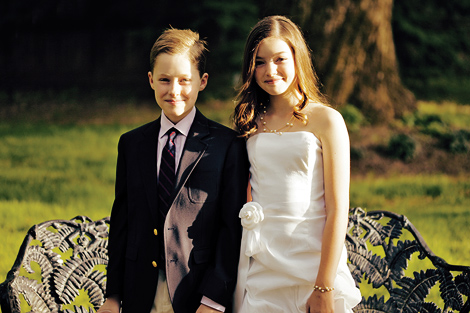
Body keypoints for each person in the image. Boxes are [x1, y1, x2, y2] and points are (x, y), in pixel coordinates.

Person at [97, 28, 249, 313]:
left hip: (196, 293)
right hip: (139, 292)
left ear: (202, 82)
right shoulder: (131, 144)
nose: (174, 90)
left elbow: (231, 229)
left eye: (184, 81)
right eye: (165, 80)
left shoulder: (225, 145)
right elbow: (121, 225)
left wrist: (213, 299)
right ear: (151, 80)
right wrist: (113, 296)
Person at [232, 16, 362, 313]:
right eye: (260, 62)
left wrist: (324, 286)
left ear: (297, 58)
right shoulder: (250, 123)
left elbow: (338, 208)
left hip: (313, 264)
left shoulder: (327, 120)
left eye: (280, 59)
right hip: (264, 266)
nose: (270, 70)